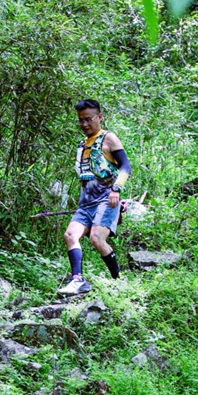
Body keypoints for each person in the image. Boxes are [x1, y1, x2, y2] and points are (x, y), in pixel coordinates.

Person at [58, 99, 131, 298]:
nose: (84, 124)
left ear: (99, 117)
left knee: (97, 238)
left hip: (107, 200)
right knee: (70, 236)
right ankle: (77, 280)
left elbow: (126, 166)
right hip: (86, 203)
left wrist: (116, 188)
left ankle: (119, 282)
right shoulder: (82, 145)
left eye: (88, 119)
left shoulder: (109, 138)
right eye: (80, 121)